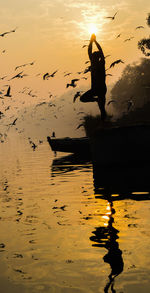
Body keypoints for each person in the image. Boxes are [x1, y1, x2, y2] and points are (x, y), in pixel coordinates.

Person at [80, 34, 107, 121]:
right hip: (97, 88)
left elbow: (99, 51)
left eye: (94, 55)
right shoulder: (98, 63)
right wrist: (92, 41)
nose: (92, 56)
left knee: (102, 108)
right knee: (83, 98)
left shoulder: (100, 63)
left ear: (96, 57)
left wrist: (93, 41)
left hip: (100, 88)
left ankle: (104, 123)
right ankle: (96, 100)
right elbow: (90, 51)